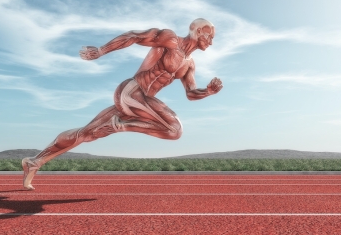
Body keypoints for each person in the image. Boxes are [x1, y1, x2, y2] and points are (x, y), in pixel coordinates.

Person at [22, 18, 223, 190]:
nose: (212, 42)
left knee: (86, 133)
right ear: (197, 31)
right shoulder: (170, 39)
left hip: (142, 104)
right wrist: (101, 50)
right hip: (131, 92)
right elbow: (134, 36)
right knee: (174, 129)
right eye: (210, 36)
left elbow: (190, 92)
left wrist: (208, 91)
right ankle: (119, 126)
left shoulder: (189, 64)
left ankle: (35, 162)